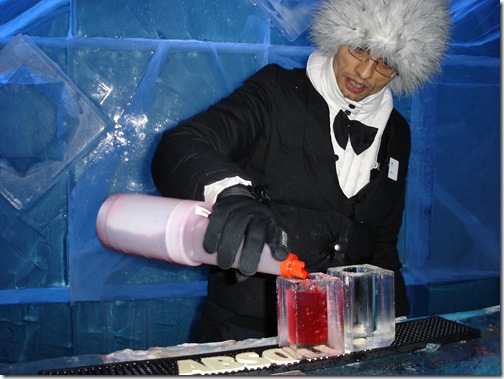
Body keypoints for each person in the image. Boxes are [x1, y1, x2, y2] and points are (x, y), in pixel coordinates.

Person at [151, 0, 451, 343]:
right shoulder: (274, 91)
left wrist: (398, 332)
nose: (365, 73)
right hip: (244, 332)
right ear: (339, 35)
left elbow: (382, 248)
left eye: (385, 63)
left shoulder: (397, 133)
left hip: (341, 334)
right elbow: (182, 144)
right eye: (359, 49)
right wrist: (230, 193)